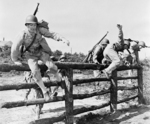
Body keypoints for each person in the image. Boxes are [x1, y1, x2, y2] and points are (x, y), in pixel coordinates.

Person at [11, 15, 70, 101]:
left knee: (52, 66)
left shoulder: (39, 30)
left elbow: (52, 34)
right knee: (35, 72)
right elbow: (15, 47)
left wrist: (63, 39)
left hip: (41, 52)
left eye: (34, 25)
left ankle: (59, 80)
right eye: (30, 25)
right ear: (26, 25)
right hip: (30, 55)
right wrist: (15, 60)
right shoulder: (22, 35)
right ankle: (45, 91)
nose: (33, 27)